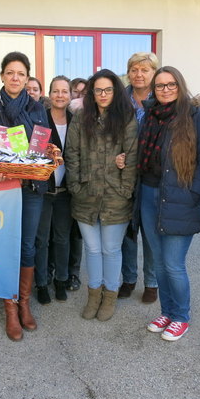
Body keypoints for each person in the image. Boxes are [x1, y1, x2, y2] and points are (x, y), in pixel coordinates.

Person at [140, 66, 200, 341]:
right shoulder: (150, 115)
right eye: (160, 85)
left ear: (180, 85)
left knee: (173, 263)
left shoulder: (198, 115)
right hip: (149, 195)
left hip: (180, 198)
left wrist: (193, 194)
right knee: (159, 263)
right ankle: (167, 310)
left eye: (171, 84)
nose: (165, 89)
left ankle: (181, 316)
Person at [0, 51, 49, 341]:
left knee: (28, 246)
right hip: (1, 190)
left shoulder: (36, 109)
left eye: (21, 73)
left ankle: (24, 304)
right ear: (3, 76)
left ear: (27, 76)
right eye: (10, 73)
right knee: (5, 247)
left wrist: (34, 161)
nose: (16, 78)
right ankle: (9, 308)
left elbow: (42, 147)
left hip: (31, 187)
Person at [65, 69, 138, 322]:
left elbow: (132, 156)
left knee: (110, 249)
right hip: (85, 193)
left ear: (115, 91)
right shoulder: (81, 117)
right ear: (91, 93)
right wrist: (75, 184)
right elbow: (71, 153)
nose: (103, 94)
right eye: (98, 90)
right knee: (92, 249)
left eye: (108, 90)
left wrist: (125, 189)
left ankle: (110, 294)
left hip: (116, 195)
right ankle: (93, 294)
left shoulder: (126, 118)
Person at [119, 52, 160, 303]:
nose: (139, 74)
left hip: (152, 176)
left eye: (145, 69)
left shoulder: (163, 99)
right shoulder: (120, 101)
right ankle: (129, 278)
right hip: (124, 174)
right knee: (127, 231)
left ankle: (152, 282)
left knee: (151, 232)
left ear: (154, 73)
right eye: (134, 69)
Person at [34, 76, 74, 304]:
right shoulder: (40, 120)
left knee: (62, 238)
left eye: (64, 91)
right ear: (49, 94)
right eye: (56, 91)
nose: (60, 95)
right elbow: (34, 153)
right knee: (42, 240)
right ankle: (41, 283)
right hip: (44, 189)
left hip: (67, 190)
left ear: (70, 95)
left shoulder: (75, 120)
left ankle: (61, 279)